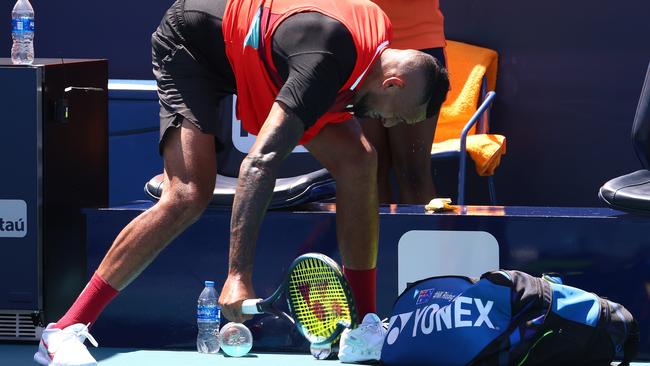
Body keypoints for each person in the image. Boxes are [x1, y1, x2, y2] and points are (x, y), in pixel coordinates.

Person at [34, 0, 449, 364]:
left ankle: (363, 329)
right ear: (393, 83)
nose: (390, 123)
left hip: (262, 53)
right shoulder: (327, 57)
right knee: (187, 195)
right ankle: (65, 329)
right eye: (398, 114)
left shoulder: (372, 39)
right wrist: (238, 274)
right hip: (192, 46)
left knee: (361, 160)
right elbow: (259, 163)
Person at [365, 0, 448, 203]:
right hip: (360, 46)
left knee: (413, 174)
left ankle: (421, 235)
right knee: (366, 172)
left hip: (417, 47)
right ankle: (373, 237)